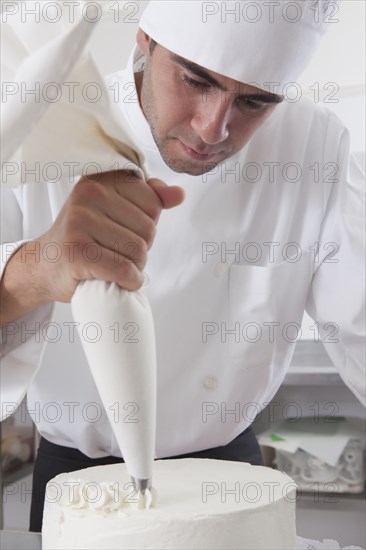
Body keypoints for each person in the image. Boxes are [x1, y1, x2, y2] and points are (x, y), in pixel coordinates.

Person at [0, 0, 364, 533]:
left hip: (230, 477)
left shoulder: (315, 146)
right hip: (78, 482)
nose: (213, 128)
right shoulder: (46, 122)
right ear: (145, 41)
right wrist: (34, 267)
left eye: (256, 102)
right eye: (195, 80)